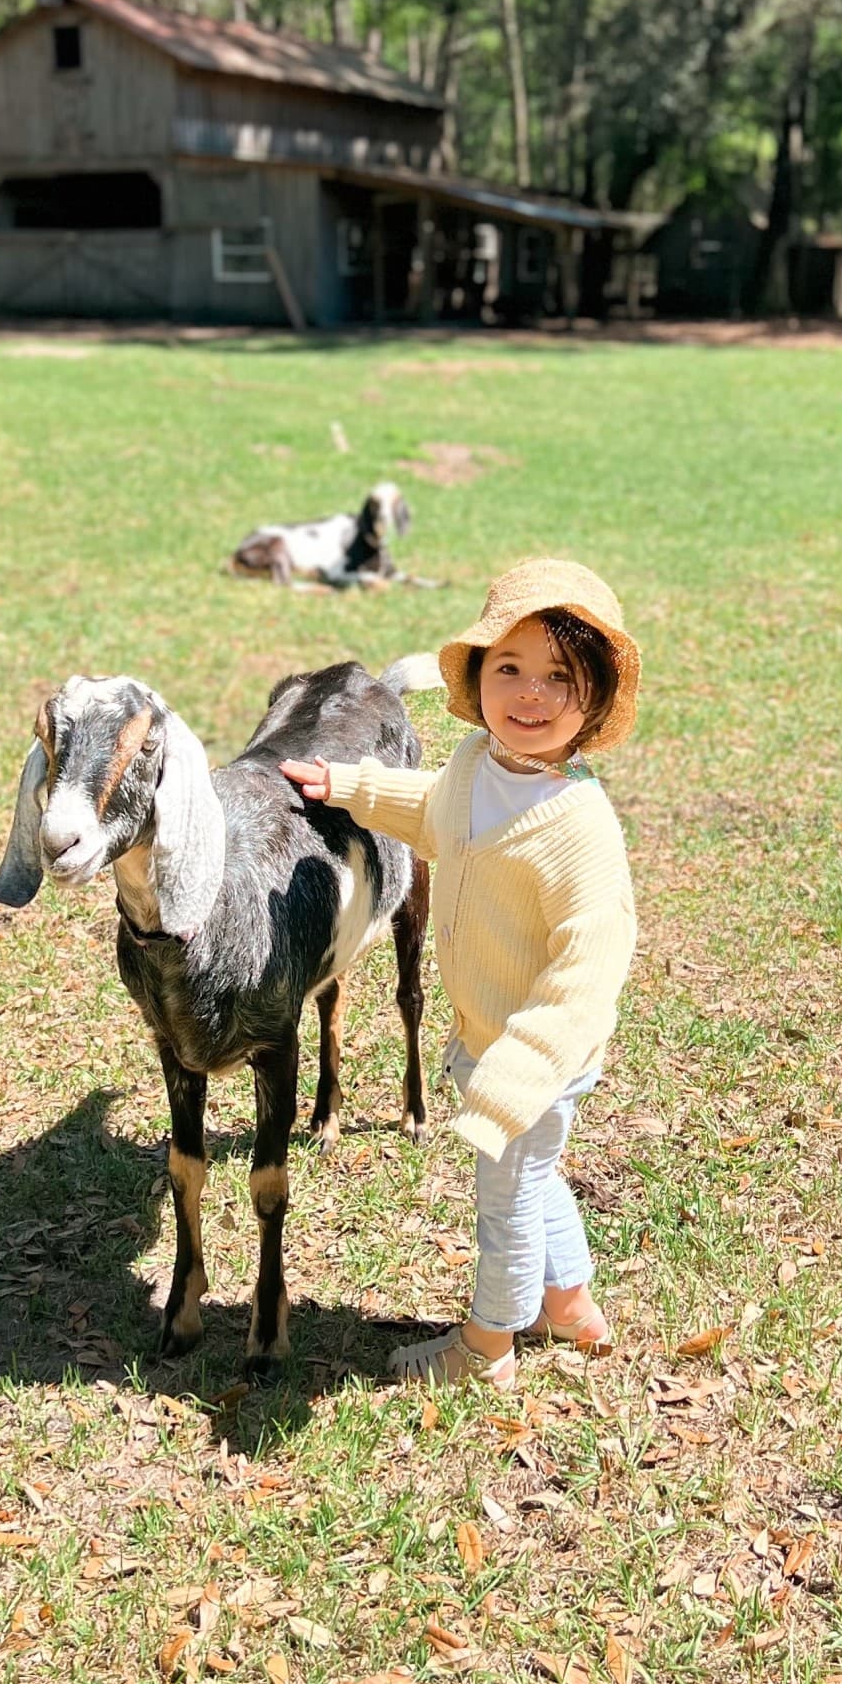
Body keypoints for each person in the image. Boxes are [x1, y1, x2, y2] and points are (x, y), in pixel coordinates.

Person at [282, 558, 640, 1387]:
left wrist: (517, 1073)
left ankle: (485, 1348)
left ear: (593, 701)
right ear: (477, 677)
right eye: (508, 668)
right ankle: (571, 1304)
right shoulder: (478, 766)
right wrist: (349, 785)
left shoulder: (578, 824)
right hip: (488, 1038)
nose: (530, 694)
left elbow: (589, 967)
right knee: (536, 1177)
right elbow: (430, 812)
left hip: (535, 1062)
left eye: (559, 677)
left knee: (505, 1199)